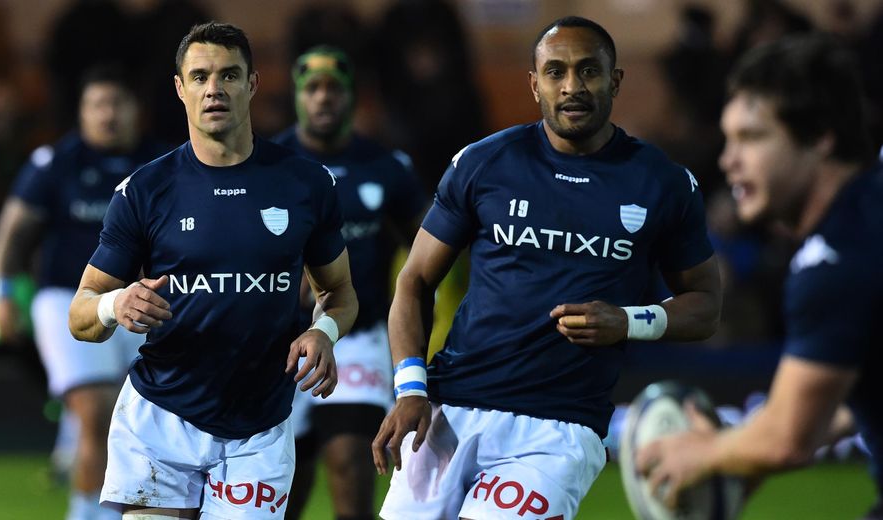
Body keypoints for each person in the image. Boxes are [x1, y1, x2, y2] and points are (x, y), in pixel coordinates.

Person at [371, 16, 722, 520]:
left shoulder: (662, 184)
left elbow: (705, 305)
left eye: (589, 71)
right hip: (451, 408)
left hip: (559, 429)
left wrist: (628, 321)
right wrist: (410, 389)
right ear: (535, 84)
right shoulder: (484, 163)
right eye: (556, 72)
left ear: (615, 80)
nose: (572, 86)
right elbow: (415, 280)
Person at [67, 22, 358, 519]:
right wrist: (117, 303)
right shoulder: (145, 190)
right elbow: (81, 314)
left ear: (252, 84)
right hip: (160, 416)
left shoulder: (306, 184)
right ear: (180, 88)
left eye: (229, 75)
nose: (214, 89)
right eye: (200, 77)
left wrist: (323, 332)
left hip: (259, 425)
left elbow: (341, 293)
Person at [636, 34, 883, 520]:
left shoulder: (837, 260)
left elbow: (787, 439)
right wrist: (742, 452)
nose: (728, 160)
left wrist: (705, 453)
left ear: (820, 136)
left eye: (751, 137)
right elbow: (847, 401)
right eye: (729, 139)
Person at [0, 65, 166, 520]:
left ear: (136, 110)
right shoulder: (56, 163)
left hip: (142, 304)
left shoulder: (161, 164)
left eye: (117, 104)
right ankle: (88, 513)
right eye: (97, 105)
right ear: (82, 112)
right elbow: (13, 233)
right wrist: (3, 292)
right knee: (96, 411)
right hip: (69, 301)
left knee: (140, 422)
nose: (108, 114)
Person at [272, 46, 428, 520]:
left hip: (358, 336)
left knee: (349, 461)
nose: (323, 98)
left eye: (334, 89)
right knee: (285, 483)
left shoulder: (386, 166)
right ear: (297, 97)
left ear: (352, 97)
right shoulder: (269, 164)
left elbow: (427, 253)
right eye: (312, 89)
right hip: (278, 342)